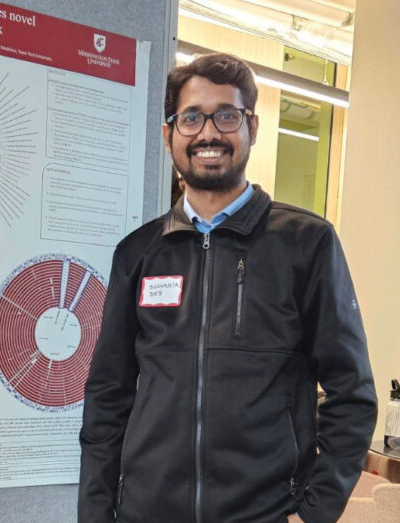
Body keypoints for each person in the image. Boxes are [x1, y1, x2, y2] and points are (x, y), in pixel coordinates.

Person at [78, 53, 377, 523]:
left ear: (252, 127)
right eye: (191, 118)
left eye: (226, 116)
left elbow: (352, 394)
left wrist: (314, 513)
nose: (208, 134)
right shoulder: (138, 253)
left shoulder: (306, 244)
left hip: (265, 513)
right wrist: (96, 515)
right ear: (169, 135)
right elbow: (107, 398)